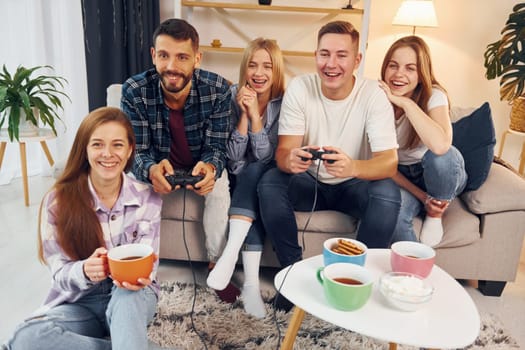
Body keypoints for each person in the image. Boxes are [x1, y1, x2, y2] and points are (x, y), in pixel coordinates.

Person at [257, 21, 401, 311]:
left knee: (387, 194)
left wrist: (353, 167)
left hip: (353, 183)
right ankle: (291, 273)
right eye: (324, 54)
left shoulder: (373, 95)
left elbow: (389, 162)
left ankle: (356, 279)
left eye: (341, 55)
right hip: (308, 180)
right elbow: (283, 152)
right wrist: (292, 160)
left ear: (357, 60)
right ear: (315, 56)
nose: (331, 64)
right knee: (270, 182)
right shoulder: (300, 87)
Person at [2, 107, 169, 350]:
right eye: (98, 144)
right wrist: (84, 270)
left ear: (130, 149)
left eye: (118, 145)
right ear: (85, 149)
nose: (108, 154)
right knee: (25, 338)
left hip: (132, 296)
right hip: (79, 303)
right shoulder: (58, 201)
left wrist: (134, 277)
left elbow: (149, 264)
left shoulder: (147, 198)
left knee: (127, 299)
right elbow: (59, 271)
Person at [120, 18, 239, 302]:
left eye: (182, 57)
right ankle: (137, 265)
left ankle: (217, 266)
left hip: (198, 163)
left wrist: (210, 168)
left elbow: (217, 147)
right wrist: (150, 170)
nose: (172, 66)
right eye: (164, 55)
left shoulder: (218, 90)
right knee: (134, 185)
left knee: (220, 187)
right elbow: (137, 150)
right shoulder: (134, 90)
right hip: (160, 165)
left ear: (197, 58)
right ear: (153, 55)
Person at [206, 38, 285, 318]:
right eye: (252, 65)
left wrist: (255, 116)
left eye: (267, 66)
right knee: (247, 176)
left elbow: (266, 158)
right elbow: (233, 160)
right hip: (240, 179)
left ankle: (230, 257)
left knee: (257, 172)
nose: (259, 73)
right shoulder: (230, 96)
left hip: (269, 177)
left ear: (276, 71)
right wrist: (242, 115)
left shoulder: (283, 103)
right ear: (244, 69)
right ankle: (251, 287)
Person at [379, 36, 467, 247]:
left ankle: (437, 214)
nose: (399, 74)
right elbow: (385, 164)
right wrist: (423, 198)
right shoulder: (376, 99)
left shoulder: (434, 95)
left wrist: (405, 103)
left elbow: (440, 146)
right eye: (393, 66)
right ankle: (413, 275)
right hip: (401, 175)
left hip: (441, 175)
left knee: (442, 156)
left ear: (422, 73)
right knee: (394, 215)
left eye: (410, 68)